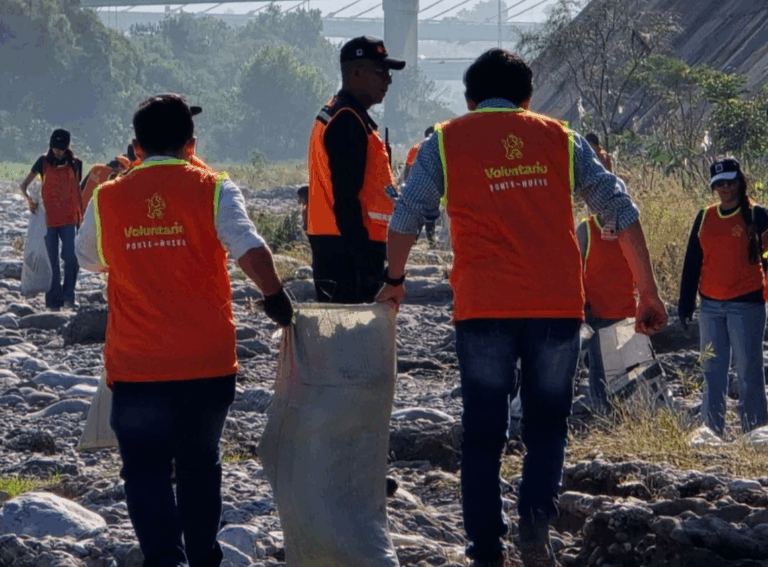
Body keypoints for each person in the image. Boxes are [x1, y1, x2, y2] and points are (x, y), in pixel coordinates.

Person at [376, 49, 667, 567]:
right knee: (549, 423)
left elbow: (406, 215)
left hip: (483, 308)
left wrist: (394, 282)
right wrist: (647, 290)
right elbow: (618, 207)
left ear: (469, 99)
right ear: (528, 98)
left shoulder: (445, 140)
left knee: (484, 432)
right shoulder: (560, 138)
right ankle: (534, 524)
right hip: (555, 309)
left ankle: (486, 549)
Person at [75, 93, 294, 567]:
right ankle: (203, 558)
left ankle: (164, 560)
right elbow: (251, 250)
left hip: (136, 365)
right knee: (200, 464)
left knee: (145, 472)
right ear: (191, 145)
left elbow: (90, 258)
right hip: (206, 363)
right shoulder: (214, 187)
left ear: (135, 147)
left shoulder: (107, 196)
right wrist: (276, 299)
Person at [307, 35, 405, 304]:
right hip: (349, 251)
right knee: (354, 337)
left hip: (338, 245)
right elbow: (346, 199)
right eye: (381, 72)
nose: (388, 80)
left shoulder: (340, 113)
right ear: (357, 72)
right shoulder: (347, 120)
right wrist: (363, 262)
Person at [678, 157, 768, 437]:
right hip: (710, 307)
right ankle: (711, 432)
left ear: (739, 180)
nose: (725, 188)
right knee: (712, 373)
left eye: (729, 182)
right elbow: (693, 262)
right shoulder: (705, 216)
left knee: (749, 373)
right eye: (719, 184)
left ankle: (756, 434)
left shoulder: (758, 215)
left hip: (747, 305)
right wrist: (685, 304)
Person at [576, 214, 637, 414]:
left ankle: (626, 420)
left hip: (626, 312)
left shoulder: (630, 227)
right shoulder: (586, 229)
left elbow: (641, 267)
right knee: (599, 371)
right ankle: (604, 418)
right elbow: (574, 269)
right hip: (596, 314)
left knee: (628, 373)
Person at [20, 128, 84, 311]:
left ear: (67, 146)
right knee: (52, 261)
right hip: (47, 219)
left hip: (70, 218)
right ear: (50, 145)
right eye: (55, 147)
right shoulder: (43, 162)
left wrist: (82, 216)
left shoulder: (76, 164)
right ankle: (54, 302)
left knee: (72, 257)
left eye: (61, 148)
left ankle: (69, 295)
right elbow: (24, 185)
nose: (58, 151)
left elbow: (77, 192)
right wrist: (29, 199)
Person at [401, 126, 438, 244]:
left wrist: (407, 184)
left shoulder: (416, 148)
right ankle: (430, 238)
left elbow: (407, 168)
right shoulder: (437, 149)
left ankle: (415, 238)